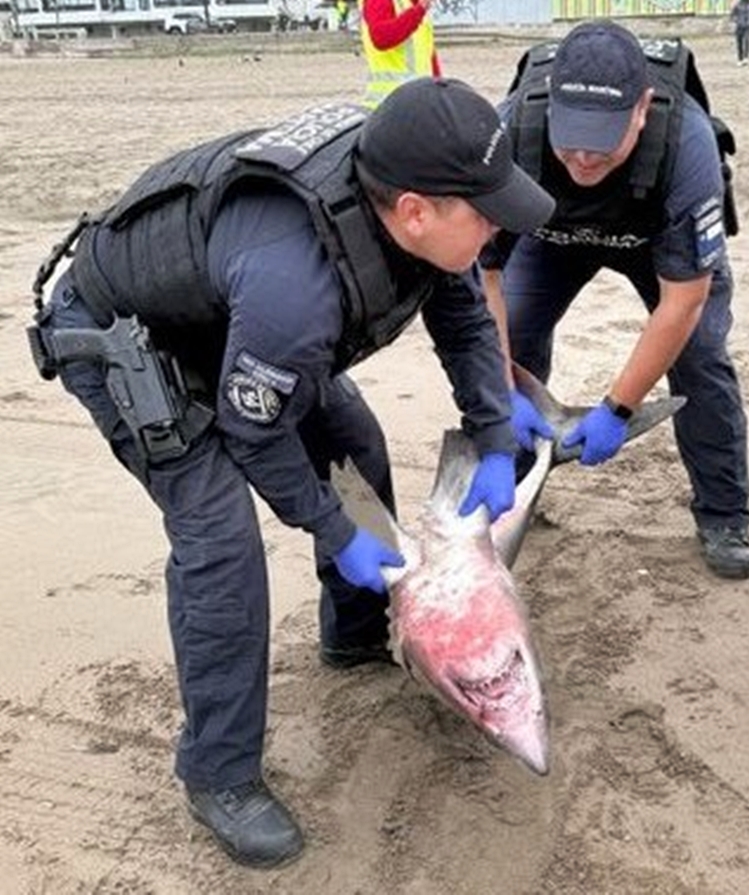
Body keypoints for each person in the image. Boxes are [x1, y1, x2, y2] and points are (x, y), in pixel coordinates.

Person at [27, 78, 554, 869]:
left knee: (356, 445)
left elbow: (461, 312)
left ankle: (351, 636)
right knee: (221, 545)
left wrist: (489, 428)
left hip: (227, 320)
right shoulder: (295, 293)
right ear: (414, 211)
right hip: (123, 340)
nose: (495, 228)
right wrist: (333, 527)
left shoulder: (408, 186)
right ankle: (218, 775)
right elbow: (255, 432)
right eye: (483, 212)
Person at [480, 20, 749, 580]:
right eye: (570, 139)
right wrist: (502, 390)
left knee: (700, 359)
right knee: (515, 339)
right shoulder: (510, 131)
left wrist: (617, 409)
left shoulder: (688, 145)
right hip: (550, 235)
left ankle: (724, 515)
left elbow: (683, 303)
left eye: (602, 144)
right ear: (549, 106)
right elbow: (483, 276)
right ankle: (511, 481)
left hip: (655, 238)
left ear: (642, 109)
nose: (582, 159)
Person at [359, 0, 440, 108]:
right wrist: (419, 10)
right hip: (389, 102)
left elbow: (429, 56)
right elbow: (381, 38)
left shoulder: (414, 5)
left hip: (420, 99)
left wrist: (439, 88)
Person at [730, 0, 749, 66]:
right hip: (739, 26)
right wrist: (736, 20)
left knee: (746, 40)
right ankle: (740, 58)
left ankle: (746, 57)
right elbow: (733, 15)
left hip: (748, 25)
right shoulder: (737, 5)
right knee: (739, 42)